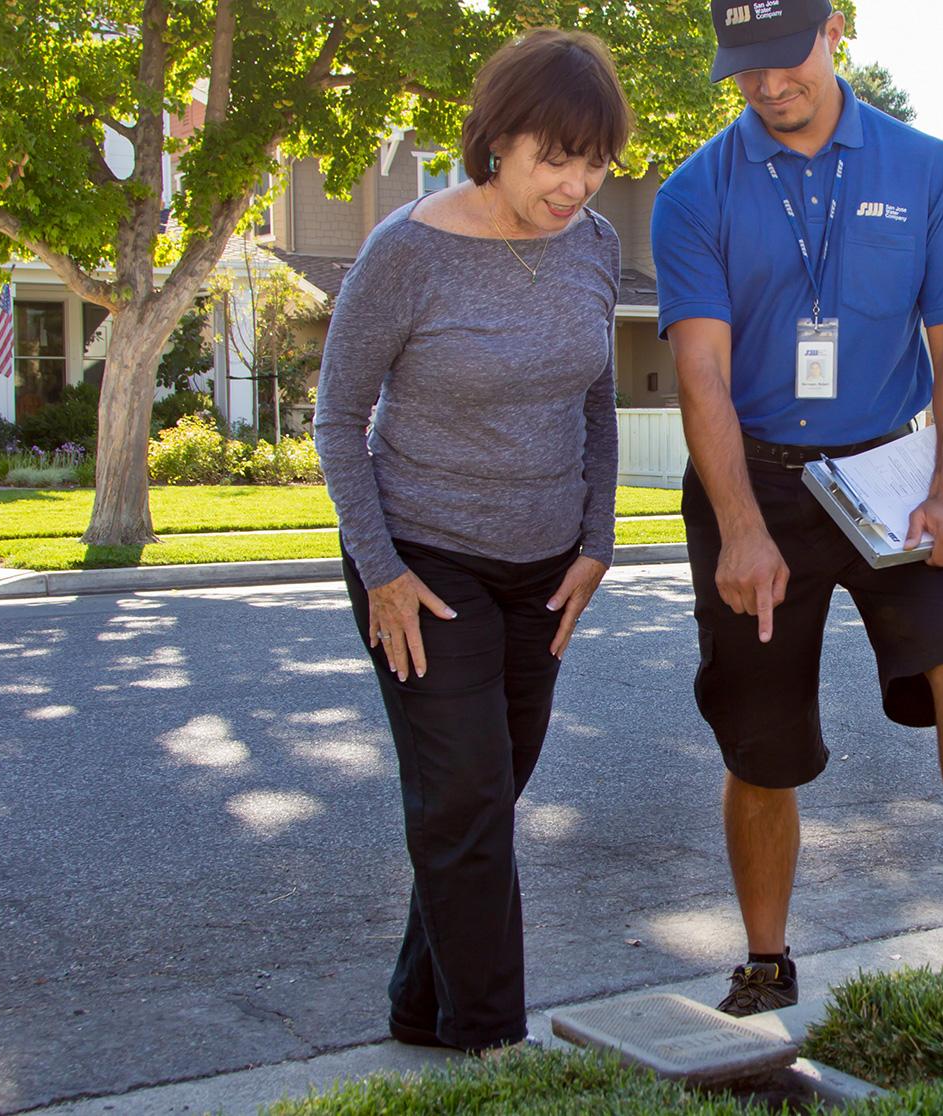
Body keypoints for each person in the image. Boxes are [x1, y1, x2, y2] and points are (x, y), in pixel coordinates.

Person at [652, 0, 943, 1016]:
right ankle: (764, 964)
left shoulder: (924, 169)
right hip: (751, 478)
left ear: (837, 28)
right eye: (744, 65)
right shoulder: (692, 191)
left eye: (785, 56)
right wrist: (743, 528)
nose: (766, 84)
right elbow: (700, 373)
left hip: (895, 475)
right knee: (760, 735)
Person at [314, 28, 630, 1053]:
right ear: (497, 139)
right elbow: (335, 420)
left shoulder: (594, 246)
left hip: (545, 565)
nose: (576, 183)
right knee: (467, 798)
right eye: (556, 157)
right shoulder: (406, 252)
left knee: (480, 807)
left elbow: (598, 400)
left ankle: (422, 1009)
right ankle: (494, 1047)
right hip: (424, 560)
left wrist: (597, 538)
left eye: (595, 162)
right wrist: (384, 573)